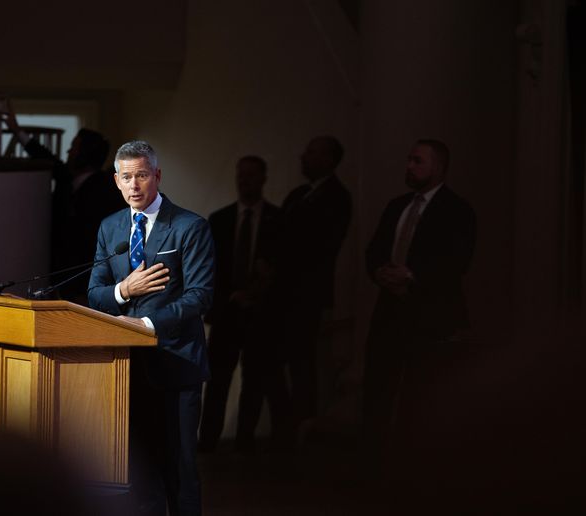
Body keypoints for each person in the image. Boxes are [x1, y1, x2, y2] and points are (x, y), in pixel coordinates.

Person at [88, 140, 214, 516]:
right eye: (126, 178)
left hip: (176, 365)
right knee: (137, 471)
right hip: (124, 370)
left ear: (156, 175)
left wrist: (144, 323)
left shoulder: (190, 227)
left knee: (179, 469)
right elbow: (95, 294)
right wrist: (123, 290)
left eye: (142, 175)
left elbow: (200, 296)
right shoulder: (110, 227)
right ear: (116, 181)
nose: (134, 186)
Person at [363, 139, 476, 467]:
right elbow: (374, 249)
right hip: (389, 314)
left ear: (438, 166)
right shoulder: (396, 205)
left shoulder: (458, 210)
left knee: (421, 395)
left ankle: (413, 469)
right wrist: (380, 272)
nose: (408, 166)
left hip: (429, 318)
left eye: (417, 161)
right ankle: (371, 467)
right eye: (408, 160)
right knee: (377, 391)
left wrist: (411, 275)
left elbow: (458, 260)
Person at [198, 155, 284, 453]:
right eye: (240, 175)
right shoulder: (219, 219)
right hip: (226, 312)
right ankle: (208, 440)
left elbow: (283, 269)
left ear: (263, 178)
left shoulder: (278, 220)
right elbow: (207, 267)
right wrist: (222, 300)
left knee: (254, 380)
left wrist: (258, 292)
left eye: (250, 175)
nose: (244, 181)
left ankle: (244, 441)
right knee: (218, 380)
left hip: (261, 315)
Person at [0, 104, 125, 304]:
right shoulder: (67, 180)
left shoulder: (105, 190)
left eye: (74, 147)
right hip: (61, 275)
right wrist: (16, 130)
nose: (69, 150)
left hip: (84, 278)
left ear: (85, 154)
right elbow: (47, 158)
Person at [273, 136, 352, 445]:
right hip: (287, 292)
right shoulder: (300, 195)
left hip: (306, 294)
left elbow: (320, 246)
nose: (303, 157)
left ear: (329, 159)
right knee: (283, 360)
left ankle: (301, 425)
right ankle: (290, 423)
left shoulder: (336, 198)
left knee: (303, 362)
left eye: (312, 153)